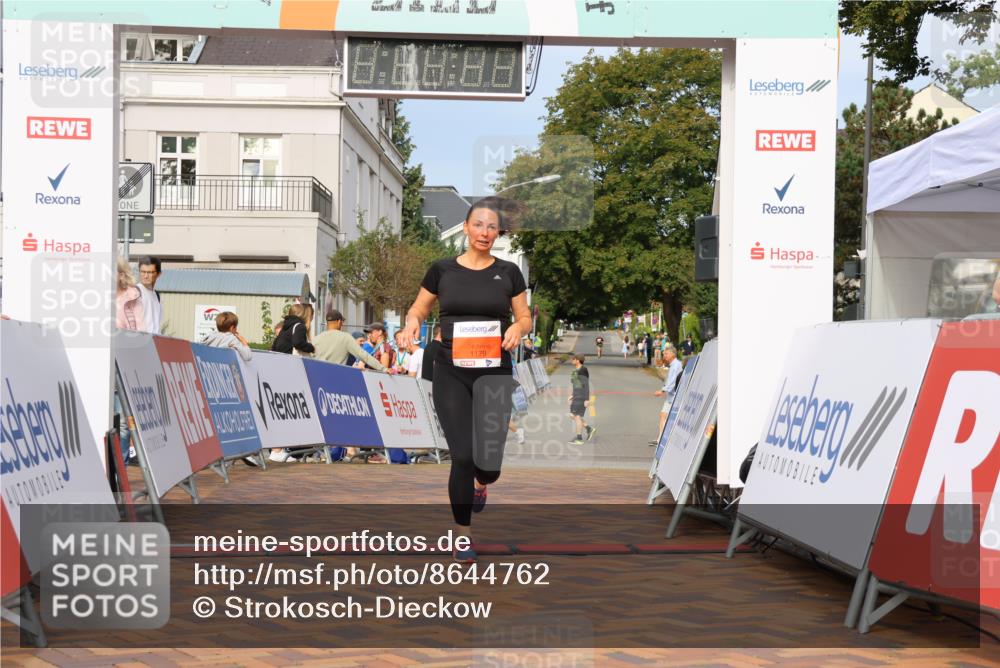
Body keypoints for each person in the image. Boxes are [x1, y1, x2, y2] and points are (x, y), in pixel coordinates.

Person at [399, 196, 531, 563]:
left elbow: (524, 317)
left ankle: (481, 485)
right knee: (462, 455)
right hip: (451, 369)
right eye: (478, 225)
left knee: (488, 464)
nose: (484, 232)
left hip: (494, 372)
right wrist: (411, 323)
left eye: (491, 227)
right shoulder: (442, 270)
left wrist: (519, 328)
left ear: (498, 232)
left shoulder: (508, 272)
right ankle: (462, 536)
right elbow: (419, 308)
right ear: (467, 229)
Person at [115, 258, 145, 465]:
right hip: (97, 366)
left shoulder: (133, 297)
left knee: (124, 424)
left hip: (123, 365)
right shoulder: (91, 296)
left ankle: (121, 470)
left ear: (121, 273)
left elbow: (141, 332)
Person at [313, 310, 386, 370]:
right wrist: (383, 369)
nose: (342, 325)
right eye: (342, 322)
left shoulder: (316, 339)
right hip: (336, 377)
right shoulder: (345, 337)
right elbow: (363, 356)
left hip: (318, 377)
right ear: (339, 321)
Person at [653, 345, 683, 442]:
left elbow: (673, 382)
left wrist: (662, 390)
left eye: (666, 354)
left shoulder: (677, 365)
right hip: (671, 397)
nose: (664, 356)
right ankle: (661, 438)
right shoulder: (673, 364)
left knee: (669, 418)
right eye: (664, 354)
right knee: (663, 415)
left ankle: (664, 439)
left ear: (673, 354)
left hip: (675, 397)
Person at [568, 354, 594, 444]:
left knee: (577, 416)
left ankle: (579, 438)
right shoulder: (575, 370)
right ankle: (589, 429)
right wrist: (572, 395)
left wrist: (587, 399)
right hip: (577, 395)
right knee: (573, 415)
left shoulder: (583, 370)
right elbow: (575, 384)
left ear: (578, 360)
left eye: (573, 359)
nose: (572, 360)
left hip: (581, 396)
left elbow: (586, 385)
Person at [136, 256, 163, 334]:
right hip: (138, 342)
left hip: (154, 342)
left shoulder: (158, 296)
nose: (146, 276)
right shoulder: (134, 292)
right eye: (143, 272)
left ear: (159, 274)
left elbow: (157, 325)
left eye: (150, 272)